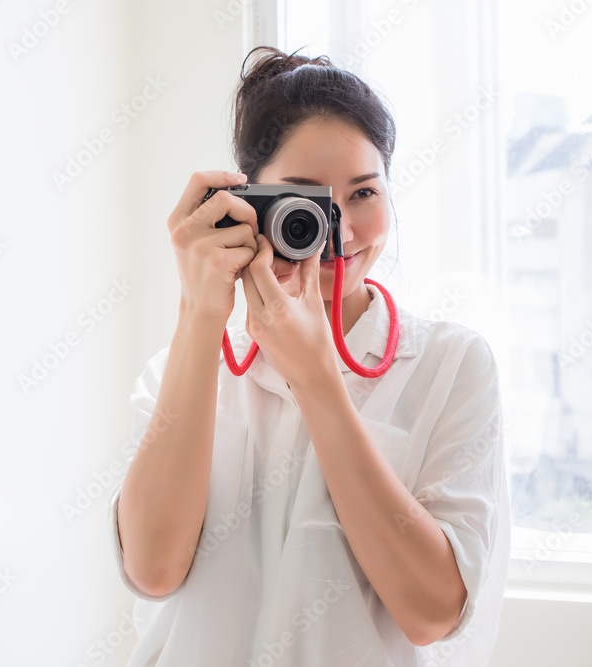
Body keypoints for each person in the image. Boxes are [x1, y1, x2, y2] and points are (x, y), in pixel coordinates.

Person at [107, 45, 510, 667]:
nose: (337, 232)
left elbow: (433, 612)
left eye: (364, 193)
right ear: (246, 203)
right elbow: (153, 571)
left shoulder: (451, 366)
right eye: (304, 204)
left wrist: (319, 383)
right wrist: (199, 316)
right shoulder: (180, 369)